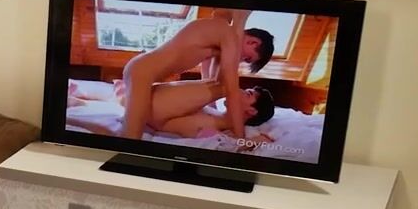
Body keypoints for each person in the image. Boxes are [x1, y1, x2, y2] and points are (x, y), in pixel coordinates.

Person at [119, 8, 274, 141]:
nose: (241, 59)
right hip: (142, 72)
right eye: (247, 58)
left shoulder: (220, 32)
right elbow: (231, 89)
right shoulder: (227, 34)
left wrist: (210, 105)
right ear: (253, 43)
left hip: (142, 71)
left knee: (221, 85)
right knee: (131, 139)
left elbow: (210, 78)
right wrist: (240, 137)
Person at [68, 78, 275, 144]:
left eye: (248, 94)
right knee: (218, 83)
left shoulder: (216, 131)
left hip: (151, 113)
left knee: (221, 84)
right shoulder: (214, 112)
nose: (241, 91)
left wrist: (253, 141)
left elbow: (229, 147)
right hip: (146, 102)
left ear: (251, 112)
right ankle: (79, 101)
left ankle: (81, 101)